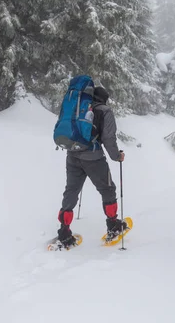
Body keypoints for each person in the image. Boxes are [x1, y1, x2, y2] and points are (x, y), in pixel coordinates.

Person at [56, 86, 127, 248]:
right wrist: (117, 156)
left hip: (72, 155)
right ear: (104, 98)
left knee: (71, 191)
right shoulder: (105, 111)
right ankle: (113, 225)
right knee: (108, 189)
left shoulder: (78, 108)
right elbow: (108, 138)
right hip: (94, 158)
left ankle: (64, 231)